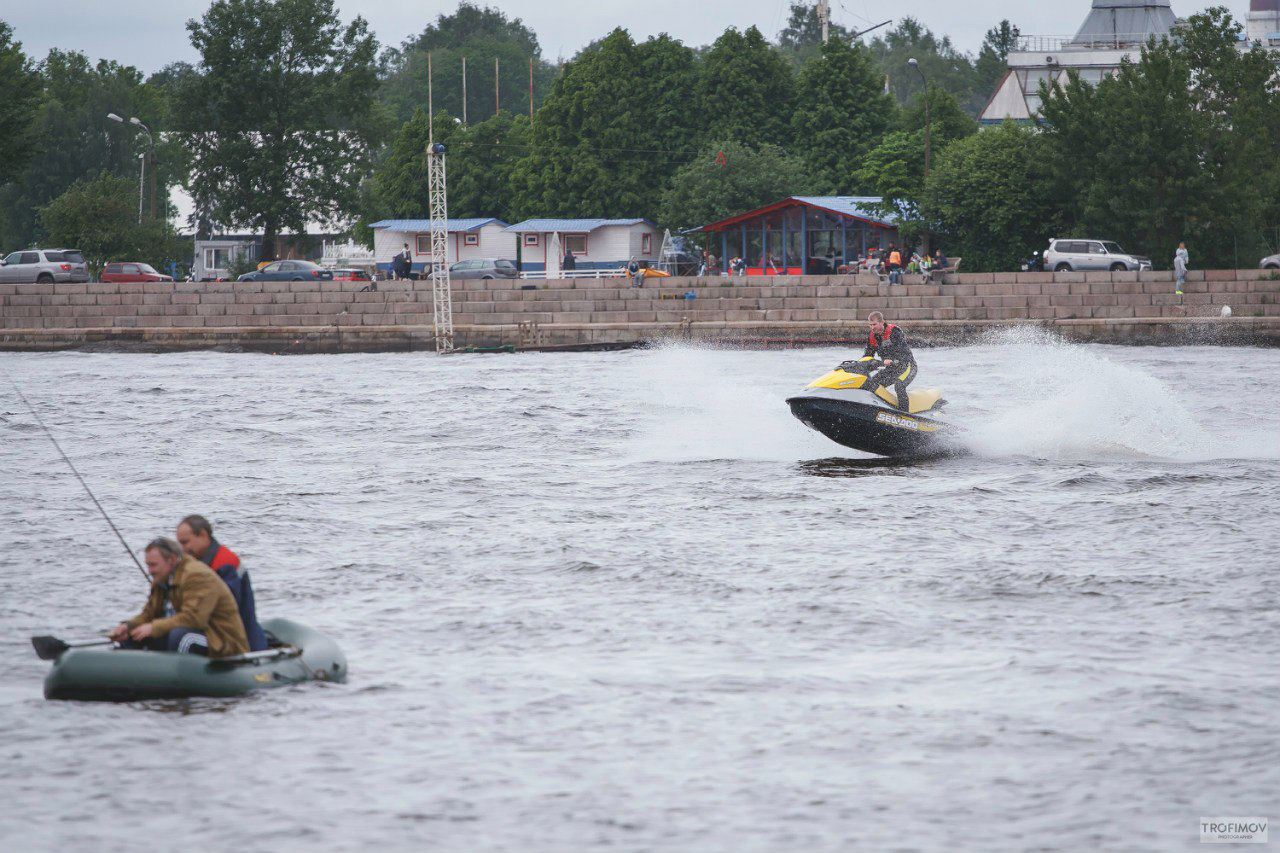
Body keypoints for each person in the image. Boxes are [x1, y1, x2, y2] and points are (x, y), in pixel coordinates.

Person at [108, 537, 249, 658]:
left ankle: (176, 680)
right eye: (147, 565)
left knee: (182, 637)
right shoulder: (161, 579)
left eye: (153, 565)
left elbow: (193, 619)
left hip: (221, 640)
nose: (150, 571)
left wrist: (154, 627)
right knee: (135, 635)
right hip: (188, 631)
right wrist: (129, 626)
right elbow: (150, 614)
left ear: (172, 560)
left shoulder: (197, 575)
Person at [175, 514, 268, 651]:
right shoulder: (193, 565)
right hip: (213, 631)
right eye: (179, 544)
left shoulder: (226, 563)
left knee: (179, 637)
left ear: (203, 535)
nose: (182, 549)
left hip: (237, 637)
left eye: (185, 542)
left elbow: (223, 610)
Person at [861, 311, 918, 412]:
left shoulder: (894, 332)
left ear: (882, 322)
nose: (872, 327)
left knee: (899, 386)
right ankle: (874, 410)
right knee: (870, 384)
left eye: (874, 324)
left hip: (907, 366)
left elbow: (902, 353)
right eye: (870, 325)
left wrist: (891, 360)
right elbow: (867, 356)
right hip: (892, 369)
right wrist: (861, 366)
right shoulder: (872, 337)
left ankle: (903, 415)